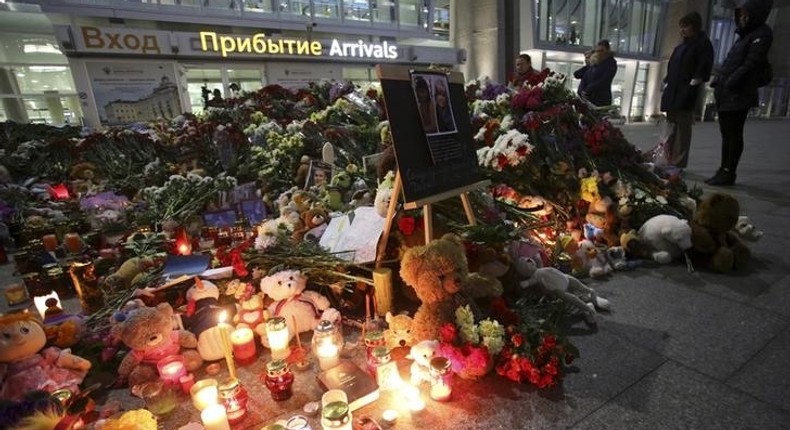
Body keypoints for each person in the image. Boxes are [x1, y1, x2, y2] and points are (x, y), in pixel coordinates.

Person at [707, 0, 774, 186]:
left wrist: (730, 81)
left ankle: (729, 171)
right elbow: (731, 62)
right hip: (728, 92)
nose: (742, 18)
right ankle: (723, 169)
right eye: (741, 14)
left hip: (739, 93)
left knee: (733, 133)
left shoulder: (762, 34)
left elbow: (750, 63)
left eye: (746, 14)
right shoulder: (744, 36)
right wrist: (719, 81)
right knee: (726, 133)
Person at [660, 12, 714, 170]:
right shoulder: (680, 47)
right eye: (681, 27)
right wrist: (666, 81)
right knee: (671, 128)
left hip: (686, 92)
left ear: (695, 26)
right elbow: (672, 67)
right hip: (673, 91)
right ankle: (668, 158)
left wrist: (694, 81)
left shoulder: (703, 44)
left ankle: (679, 162)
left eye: (686, 26)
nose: (682, 30)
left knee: (683, 129)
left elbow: (704, 66)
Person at [573, 40, 618, 106]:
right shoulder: (594, 64)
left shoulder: (611, 64)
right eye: (597, 51)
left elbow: (604, 80)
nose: (599, 53)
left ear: (607, 51)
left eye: (602, 51)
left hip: (601, 100)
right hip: (589, 99)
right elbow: (578, 75)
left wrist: (587, 90)